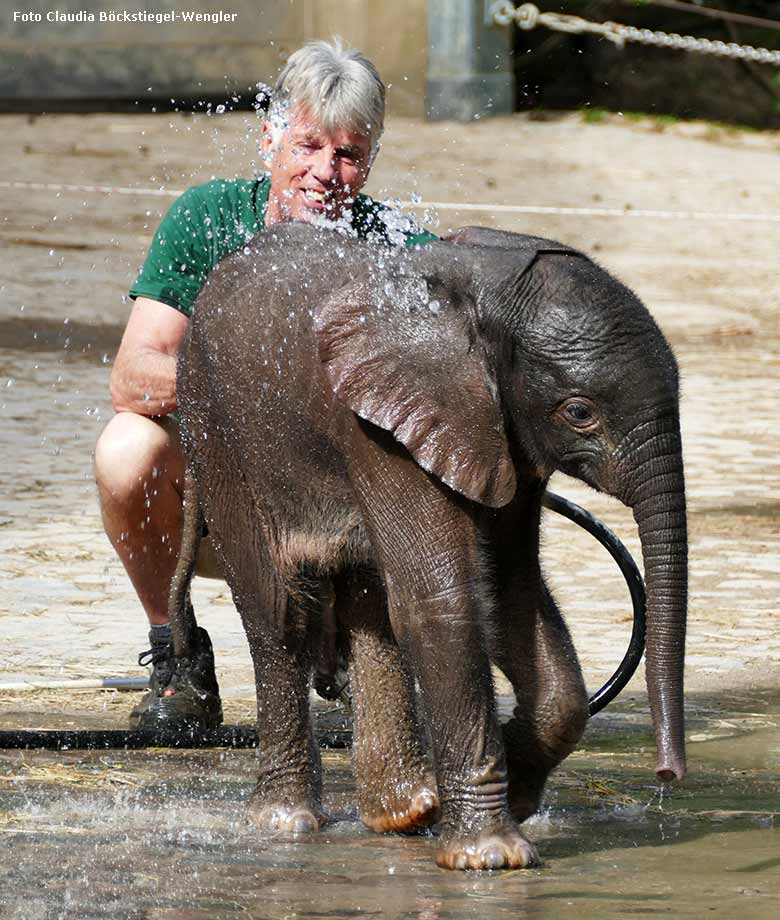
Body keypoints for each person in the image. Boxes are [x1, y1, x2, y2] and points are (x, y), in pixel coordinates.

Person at [94, 38, 437, 730]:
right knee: (126, 450)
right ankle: (178, 656)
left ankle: (353, 635)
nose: (324, 173)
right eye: (307, 146)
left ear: (369, 162)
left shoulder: (399, 251)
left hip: (348, 521)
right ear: (270, 139)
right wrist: (257, 384)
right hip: (224, 510)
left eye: (347, 155)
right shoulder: (208, 219)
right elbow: (134, 376)